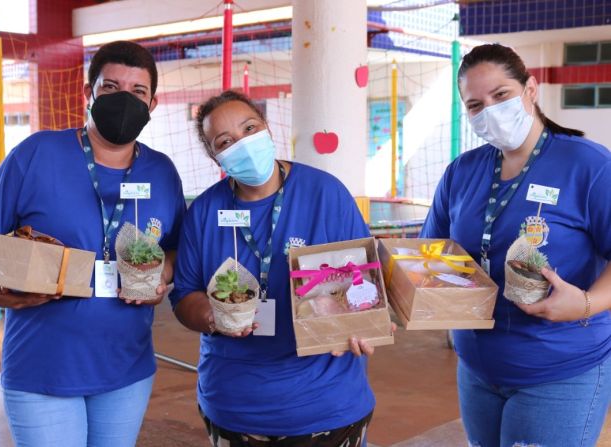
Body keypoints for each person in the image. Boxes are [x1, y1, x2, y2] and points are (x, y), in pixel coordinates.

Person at [0, 40, 186, 446]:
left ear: (152, 104)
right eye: (110, 87)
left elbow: (172, 248)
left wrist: (161, 277)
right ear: (89, 93)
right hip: (42, 368)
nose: (125, 99)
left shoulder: (162, 172)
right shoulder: (36, 154)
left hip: (125, 370)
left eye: (138, 92)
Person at [421, 43, 611, 446]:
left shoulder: (589, 166)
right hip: (477, 370)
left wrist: (588, 303)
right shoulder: (462, 172)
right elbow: (431, 253)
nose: (488, 110)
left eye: (501, 95)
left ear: (531, 89)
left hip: (559, 372)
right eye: (475, 105)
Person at [171, 90, 385, 446]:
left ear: (267, 128)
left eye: (249, 128)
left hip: (327, 405)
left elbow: (365, 277)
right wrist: (213, 317)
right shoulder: (205, 212)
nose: (242, 143)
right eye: (225, 141)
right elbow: (183, 296)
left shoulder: (325, 194)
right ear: (215, 156)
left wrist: (363, 322)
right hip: (235, 407)